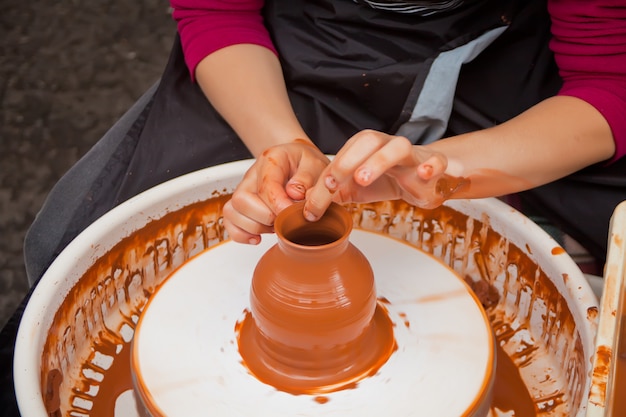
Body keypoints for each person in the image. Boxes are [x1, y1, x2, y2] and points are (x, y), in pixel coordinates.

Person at [21, 0, 626, 284]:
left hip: (507, 56)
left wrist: (447, 169)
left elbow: (607, 81)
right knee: (68, 245)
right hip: (298, 48)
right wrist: (282, 146)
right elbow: (217, 12)